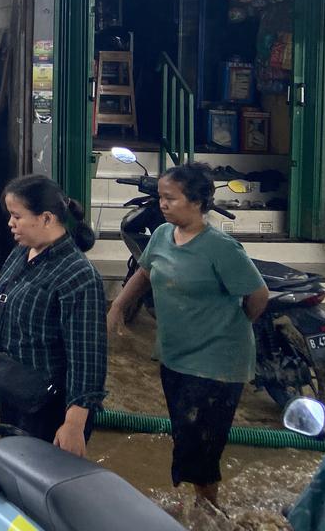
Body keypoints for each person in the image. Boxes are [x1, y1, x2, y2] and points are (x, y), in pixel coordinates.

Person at [108, 162, 269, 509]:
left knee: (203, 441)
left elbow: (258, 296)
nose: (163, 204)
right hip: (175, 355)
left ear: (197, 202)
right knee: (185, 433)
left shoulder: (222, 248)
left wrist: (231, 327)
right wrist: (118, 306)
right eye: (161, 198)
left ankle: (209, 509)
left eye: (171, 198)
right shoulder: (164, 236)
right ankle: (200, 504)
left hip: (218, 363)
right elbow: (145, 271)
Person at [0, 174, 106, 458]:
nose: (11, 223)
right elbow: (4, 313)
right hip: (18, 389)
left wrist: (74, 423)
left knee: (42, 484)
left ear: (46, 218)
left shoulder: (78, 276)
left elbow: (88, 357)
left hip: (51, 407)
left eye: (17, 216)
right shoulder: (22, 253)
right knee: (14, 467)